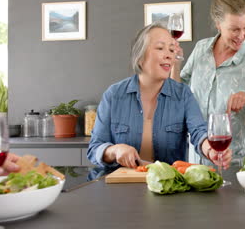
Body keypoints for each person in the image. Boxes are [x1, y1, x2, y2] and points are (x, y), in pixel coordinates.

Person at [87, 23, 232, 169]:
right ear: (140, 57)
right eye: (160, 48)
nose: (169, 55)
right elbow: (95, 148)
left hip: (168, 188)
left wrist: (210, 149)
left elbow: (198, 132)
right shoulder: (114, 95)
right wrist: (114, 150)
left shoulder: (183, 94)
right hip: (122, 185)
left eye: (171, 49)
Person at [171, 0, 245, 166]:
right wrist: (175, 63)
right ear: (218, 24)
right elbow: (178, 93)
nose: (241, 35)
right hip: (196, 163)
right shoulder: (201, 49)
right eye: (235, 29)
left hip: (234, 169)